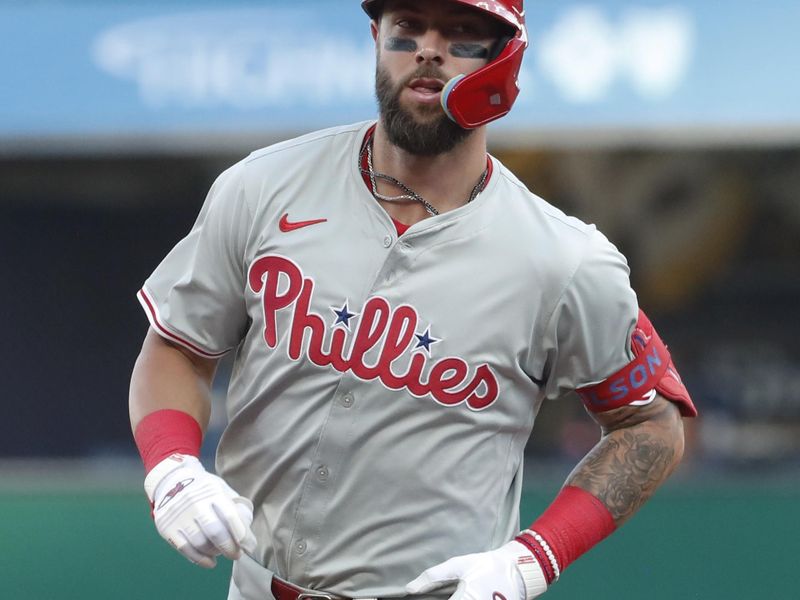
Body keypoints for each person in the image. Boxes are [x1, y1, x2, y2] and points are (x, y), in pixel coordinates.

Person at [129, 1, 697, 599]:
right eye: (407, 29)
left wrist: (537, 558)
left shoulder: (565, 258)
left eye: (460, 34)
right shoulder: (262, 186)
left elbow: (651, 423)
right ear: (376, 38)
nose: (428, 48)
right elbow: (179, 345)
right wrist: (172, 466)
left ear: (507, 59)